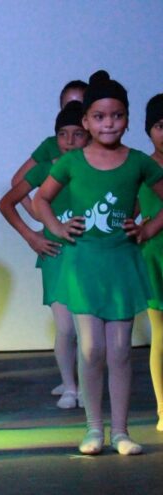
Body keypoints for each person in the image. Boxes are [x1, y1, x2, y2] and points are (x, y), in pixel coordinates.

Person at [33, 71, 163, 455]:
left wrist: (147, 229)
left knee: (120, 349)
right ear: (86, 121)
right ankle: (93, 429)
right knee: (91, 349)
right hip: (84, 262)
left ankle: (120, 431)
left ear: (126, 118)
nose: (109, 124)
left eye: (117, 116)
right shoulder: (72, 162)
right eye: (100, 117)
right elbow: (41, 200)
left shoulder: (138, 161)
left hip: (121, 262)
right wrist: (56, 226)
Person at [0, 101, 88, 409]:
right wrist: (32, 235)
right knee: (65, 327)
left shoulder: (101, 168)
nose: (70, 141)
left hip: (91, 257)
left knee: (87, 329)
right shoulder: (47, 169)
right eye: (63, 134)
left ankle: (86, 386)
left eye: (78, 134)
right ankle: (70, 387)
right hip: (56, 254)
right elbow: (8, 200)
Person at [139, 93, 163, 431]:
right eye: (160, 125)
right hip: (154, 255)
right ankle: (162, 407)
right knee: (160, 332)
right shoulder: (142, 168)